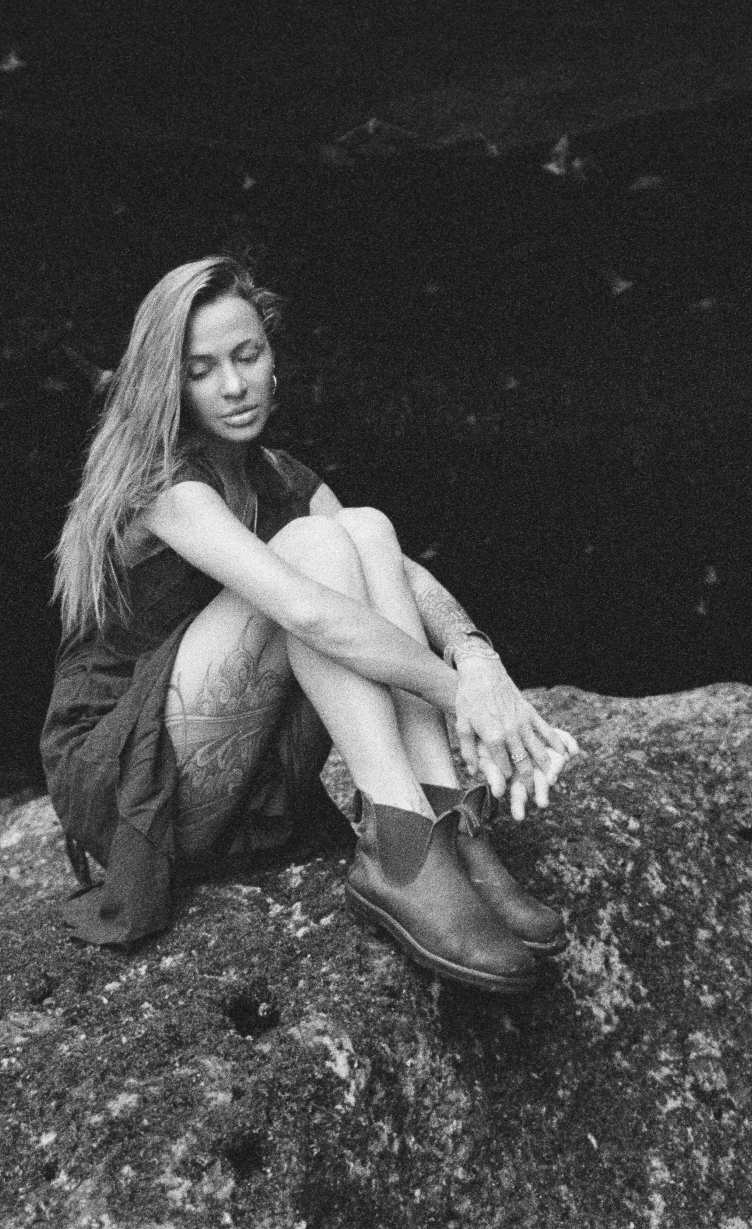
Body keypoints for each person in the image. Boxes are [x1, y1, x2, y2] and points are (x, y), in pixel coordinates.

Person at [43, 255, 581, 993]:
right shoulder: (161, 485)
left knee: (363, 526)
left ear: (272, 355)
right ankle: (397, 840)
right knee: (313, 549)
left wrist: (479, 660)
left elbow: (400, 573)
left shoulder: (276, 472)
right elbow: (303, 609)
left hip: (233, 761)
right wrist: (461, 698)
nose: (232, 385)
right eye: (200, 368)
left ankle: (440, 818)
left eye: (246, 354)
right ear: (166, 381)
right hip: (131, 779)